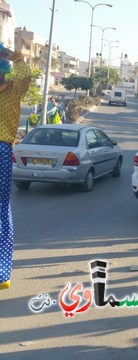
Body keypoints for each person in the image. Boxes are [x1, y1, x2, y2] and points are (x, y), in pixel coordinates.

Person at [0, 44, 31, 290]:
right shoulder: (12, 90)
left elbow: (24, 75)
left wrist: (12, 55)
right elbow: (23, 74)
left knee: (1, 210)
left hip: (1, 148)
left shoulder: (12, 91)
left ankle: (2, 273)